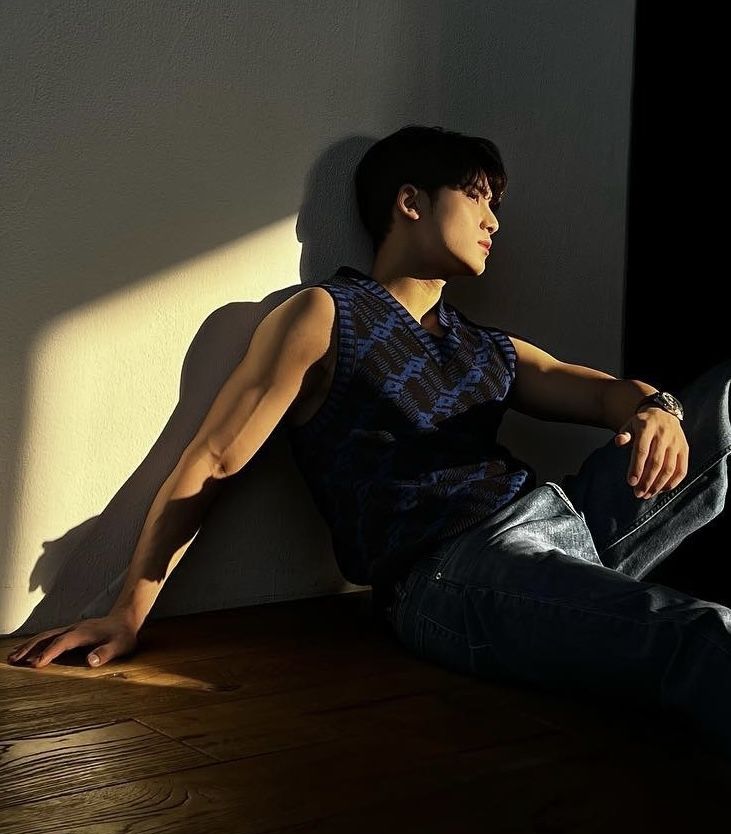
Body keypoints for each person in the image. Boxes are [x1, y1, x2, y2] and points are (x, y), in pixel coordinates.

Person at [8, 125, 730, 758]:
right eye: (476, 196)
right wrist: (128, 611)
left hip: (566, 526)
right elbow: (214, 459)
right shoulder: (326, 315)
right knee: (701, 633)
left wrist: (656, 407)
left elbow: (603, 392)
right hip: (456, 571)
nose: (493, 222)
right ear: (409, 201)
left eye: (495, 206)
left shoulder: (487, 347)